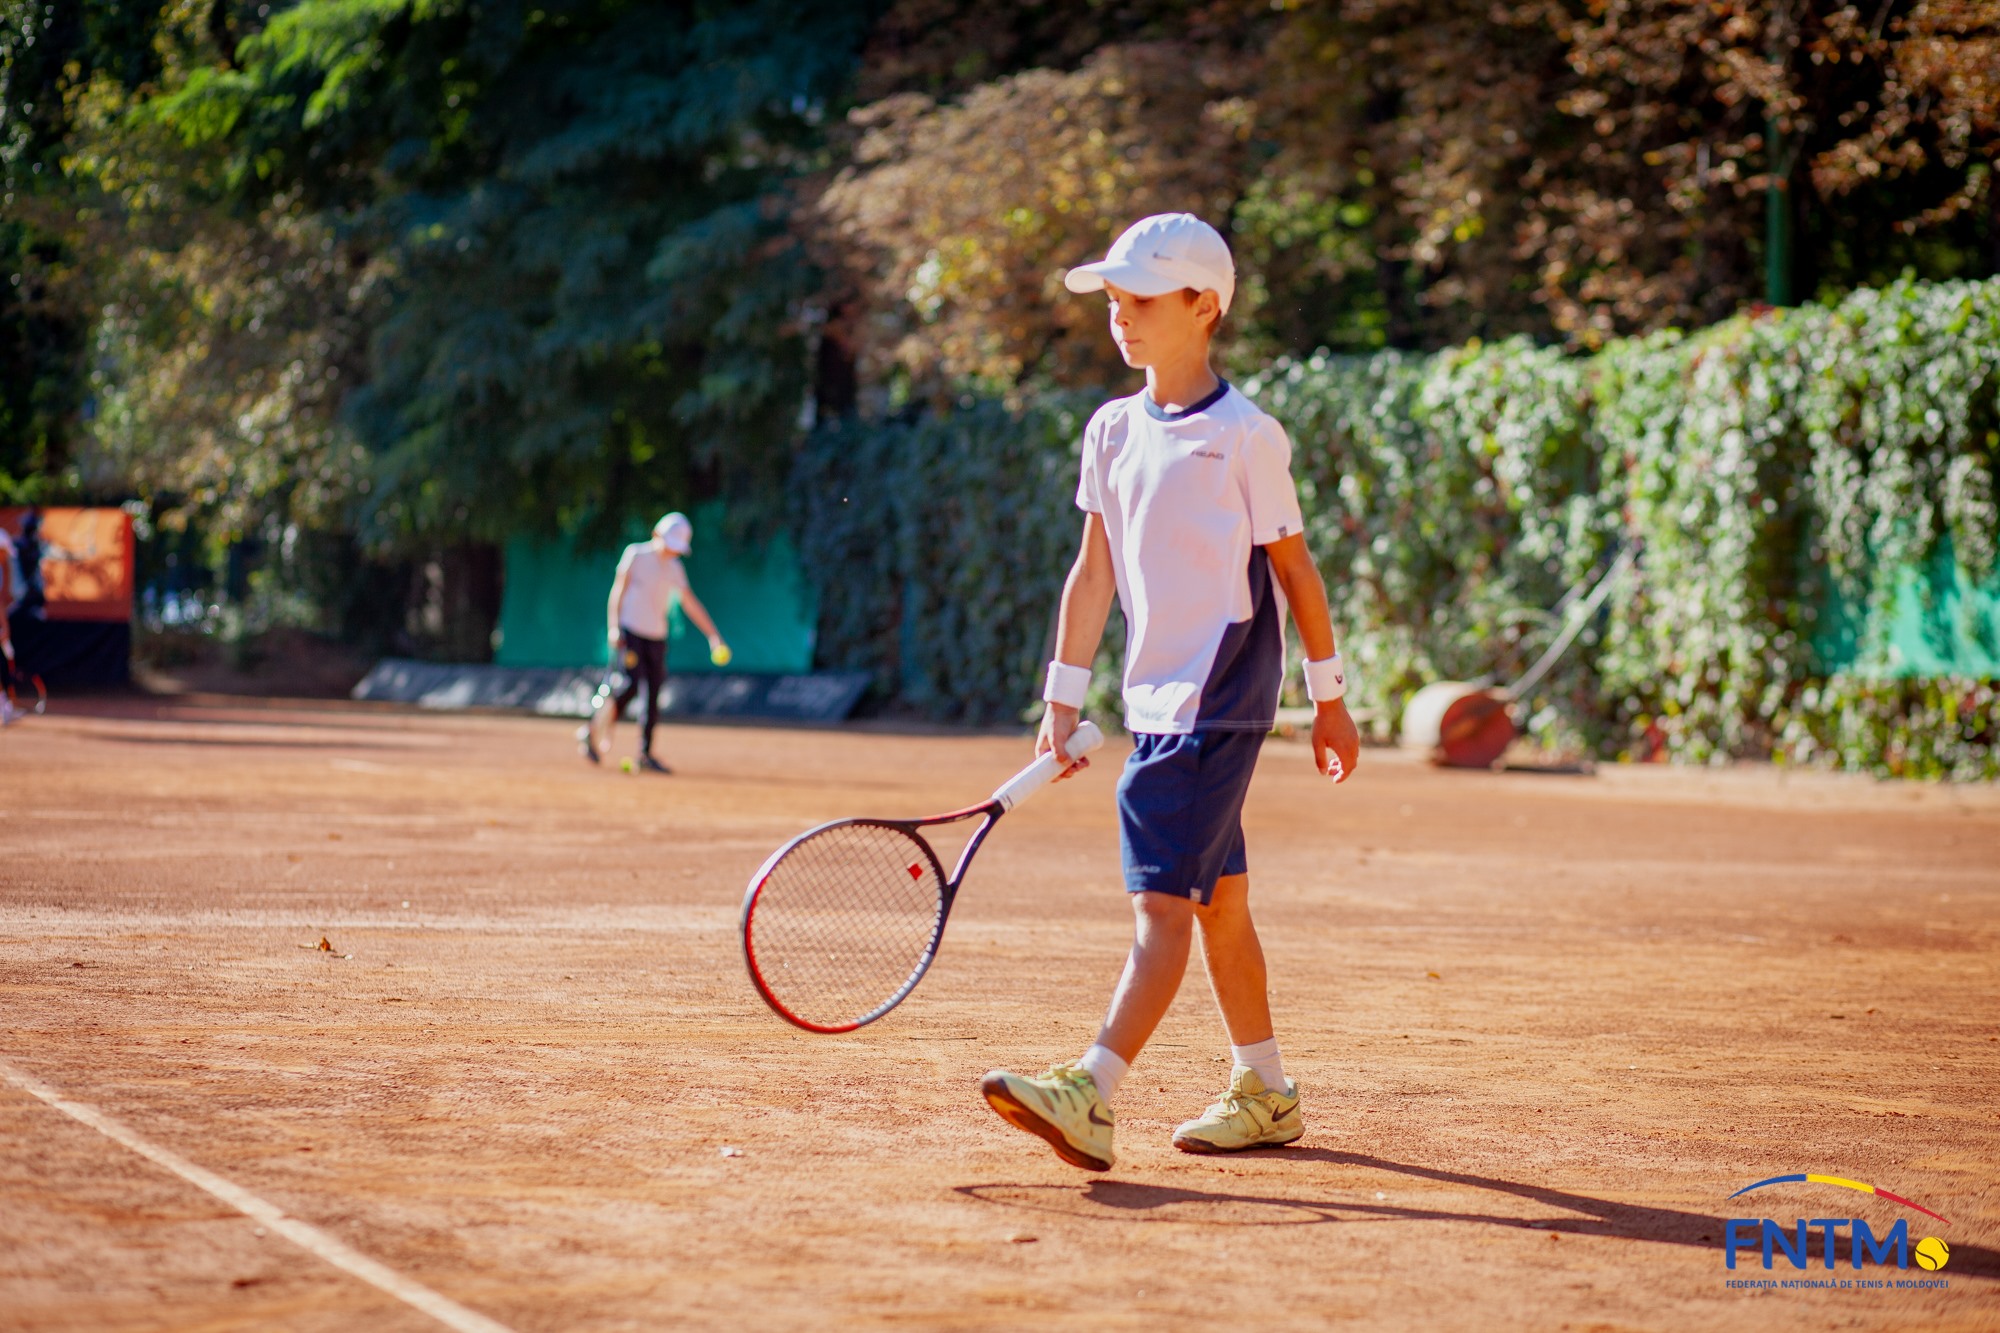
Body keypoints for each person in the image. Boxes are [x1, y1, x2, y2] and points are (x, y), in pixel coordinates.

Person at [979, 214, 1362, 1171]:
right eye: (1114, 301)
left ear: (1205, 306)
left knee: (1162, 911)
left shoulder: (1246, 436)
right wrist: (1060, 698)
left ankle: (1092, 1089)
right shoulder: (1109, 429)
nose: (1122, 317)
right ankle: (1267, 1090)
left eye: (1142, 299)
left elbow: (1298, 572)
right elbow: (1092, 574)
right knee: (1219, 903)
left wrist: (1332, 696)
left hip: (1217, 706)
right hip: (1155, 705)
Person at [576, 511, 728, 774]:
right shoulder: (635, 555)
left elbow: (689, 603)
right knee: (630, 685)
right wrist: (614, 627)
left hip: (656, 637)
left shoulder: (675, 569)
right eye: (671, 544)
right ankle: (593, 729)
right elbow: (618, 591)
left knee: (653, 693)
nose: (673, 552)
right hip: (630, 632)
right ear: (657, 535)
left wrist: (713, 636)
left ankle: (644, 755)